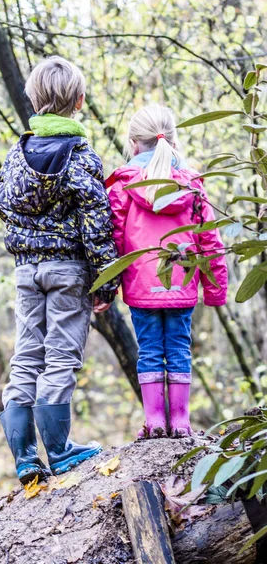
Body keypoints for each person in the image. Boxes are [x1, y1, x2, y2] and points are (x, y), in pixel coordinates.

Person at [0, 56, 119, 483]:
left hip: (26, 270)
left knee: (26, 356)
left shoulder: (17, 153)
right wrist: (106, 280)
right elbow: (96, 221)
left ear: (32, 97)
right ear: (80, 101)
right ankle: (61, 451)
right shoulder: (82, 157)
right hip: (68, 271)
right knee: (61, 357)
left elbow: (1, 200)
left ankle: (25, 457)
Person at [107, 104, 228, 439]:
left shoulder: (122, 186)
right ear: (173, 140)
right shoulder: (192, 185)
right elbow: (210, 240)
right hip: (182, 284)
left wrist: (107, 286)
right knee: (178, 348)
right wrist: (215, 290)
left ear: (133, 144)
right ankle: (181, 422)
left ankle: (155, 421)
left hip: (141, 288)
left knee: (149, 351)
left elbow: (114, 240)